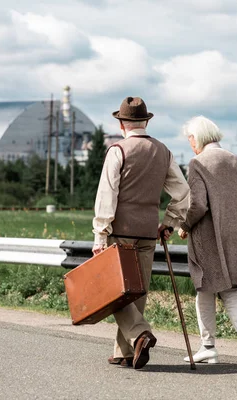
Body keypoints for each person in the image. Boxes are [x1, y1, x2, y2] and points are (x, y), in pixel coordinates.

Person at [92, 96, 189, 370]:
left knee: (114, 292)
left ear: (122, 124)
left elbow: (106, 197)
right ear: (146, 121)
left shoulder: (117, 151)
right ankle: (123, 352)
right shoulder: (164, 152)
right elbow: (183, 193)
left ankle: (139, 334)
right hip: (148, 233)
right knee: (137, 292)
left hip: (120, 232)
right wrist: (169, 222)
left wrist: (100, 236)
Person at [177, 116, 237, 368]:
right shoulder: (234, 160)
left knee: (204, 288)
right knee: (230, 290)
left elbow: (198, 205)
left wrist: (184, 226)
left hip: (209, 239)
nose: (190, 143)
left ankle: (208, 347)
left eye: (190, 138)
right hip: (236, 236)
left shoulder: (197, 163)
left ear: (197, 138)